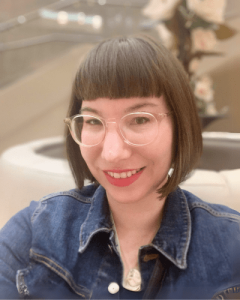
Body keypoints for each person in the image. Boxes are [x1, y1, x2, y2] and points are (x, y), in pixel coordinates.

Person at [0, 35, 240, 300]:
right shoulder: (31, 233)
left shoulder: (232, 245)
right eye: (93, 121)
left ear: (180, 125)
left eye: (139, 119)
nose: (113, 153)